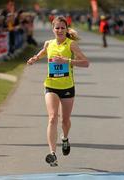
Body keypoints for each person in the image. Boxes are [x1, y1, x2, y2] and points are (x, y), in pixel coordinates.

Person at [27, 16, 89, 167]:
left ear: (66, 29)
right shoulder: (49, 43)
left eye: (62, 28)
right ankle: (52, 153)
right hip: (51, 85)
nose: (60, 30)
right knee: (52, 117)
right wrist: (34, 58)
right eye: (57, 28)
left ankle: (65, 138)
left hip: (67, 87)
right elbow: (43, 52)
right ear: (53, 29)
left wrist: (66, 61)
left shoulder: (71, 45)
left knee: (65, 121)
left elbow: (86, 63)